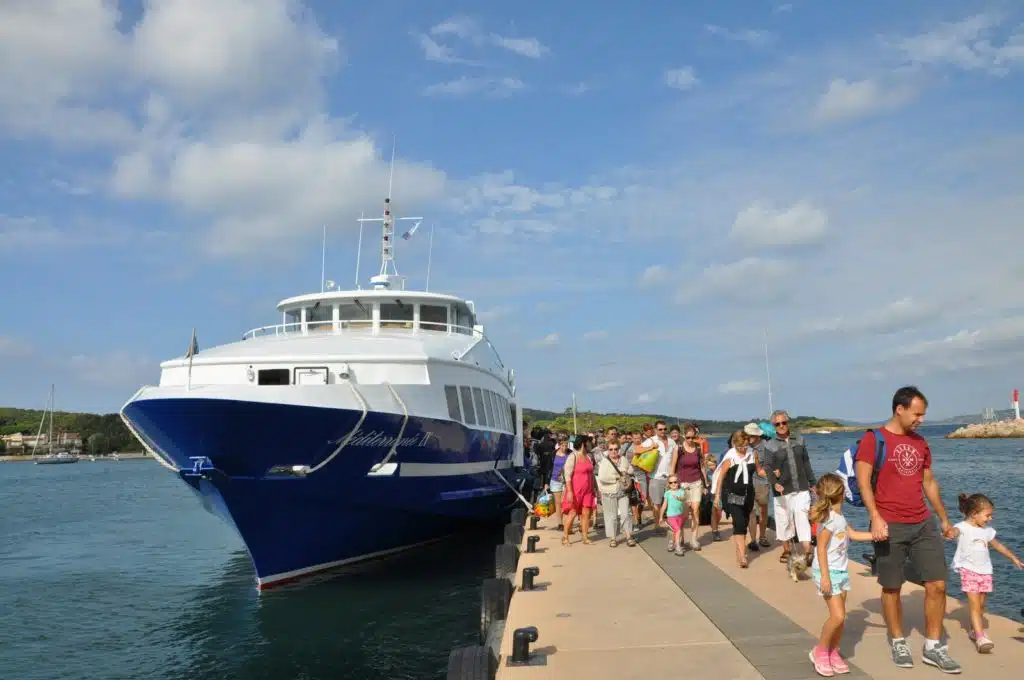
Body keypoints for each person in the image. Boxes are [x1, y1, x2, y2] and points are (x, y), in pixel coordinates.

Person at [854, 386, 960, 673]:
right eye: (917, 414)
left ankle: (933, 647)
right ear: (899, 409)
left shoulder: (921, 443)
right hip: (889, 523)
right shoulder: (872, 440)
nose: (921, 420)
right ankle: (898, 640)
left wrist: (944, 518)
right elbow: (863, 482)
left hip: (922, 522)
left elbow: (929, 482)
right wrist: (875, 516)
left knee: (937, 584)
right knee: (892, 587)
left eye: (923, 415)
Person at [807, 473, 873, 677]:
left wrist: (876, 535)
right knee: (838, 616)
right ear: (842, 494)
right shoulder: (828, 521)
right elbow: (820, 549)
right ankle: (820, 651)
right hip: (828, 572)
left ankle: (833, 651)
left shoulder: (840, 518)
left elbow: (853, 535)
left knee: (841, 618)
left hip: (841, 571)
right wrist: (825, 577)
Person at [952, 492, 1023, 653]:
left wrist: (1013, 558)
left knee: (982, 604)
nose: (990, 518)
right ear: (974, 514)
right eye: (988, 515)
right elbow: (954, 532)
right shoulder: (962, 527)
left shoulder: (987, 530)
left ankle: (972, 629)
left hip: (985, 571)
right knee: (975, 605)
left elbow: (997, 545)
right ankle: (980, 636)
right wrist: (950, 533)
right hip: (968, 570)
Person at [764, 410, 816, 566]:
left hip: (801, 487)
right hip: (782, 489)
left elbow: (806, 462)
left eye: (783, 422)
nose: (781, 426)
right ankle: (787, 550)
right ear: (773, 426)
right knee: (784, 521)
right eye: (777, 424)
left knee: (802, 518)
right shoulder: (770, 445)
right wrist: (774, 482)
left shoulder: (799, 440)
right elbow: (767, 467)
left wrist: (813, 483)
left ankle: (807, 551)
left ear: (788, 423)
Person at [714, 430, 761, 568]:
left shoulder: (753, 454)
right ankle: (742, 555)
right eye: (740, 446)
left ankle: (739, 548)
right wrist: (717, 495)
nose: (743, 448)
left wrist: (773, 474)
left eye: (745, 445)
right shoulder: (730, 457)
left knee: (745, 522)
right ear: (734, 444)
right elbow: (720, 477)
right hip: (732, 494)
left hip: (748, 494)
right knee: (739, 522)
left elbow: (759, 471)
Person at [669, 423, 709, 550]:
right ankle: (678, 536)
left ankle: (694, 539)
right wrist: (671, 484)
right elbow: (672, 467)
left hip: (696, 482)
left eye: (693, 437)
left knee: (696, 510)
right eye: (688, 437)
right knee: (684, 513)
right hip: (683, 483)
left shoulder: (698, 448)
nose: (691, 440)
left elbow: (702, 466)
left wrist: (706, 483)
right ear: (684, 436)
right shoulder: (679, 448)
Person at [596, 442, 637, 547]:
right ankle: (613, 538)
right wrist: (617, 477)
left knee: (626, 514)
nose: (613, 451)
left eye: (615, 449)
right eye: (611, 449)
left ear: (618, 449)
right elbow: (602, 478)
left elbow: (630, 469)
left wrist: (626, 472)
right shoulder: (604, 462)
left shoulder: (623, 459)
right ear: (608, 450)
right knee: (611, 516)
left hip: (623, 491)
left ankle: (628, 536)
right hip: (609, 492)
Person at [562, 435, 597, 546]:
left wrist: (595, 488)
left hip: (588, 490)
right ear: (583, 443)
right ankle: (565, 537)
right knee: (572, 513)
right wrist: (570, 492)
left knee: (586, 514)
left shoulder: (588, 457)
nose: (590, 444)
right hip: (575, 490)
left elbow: (591, 474)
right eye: (588, 442)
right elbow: (567, 476)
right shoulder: (573, 456)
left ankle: (585, 537)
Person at [642, 420, 678, 530]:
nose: (663, 431)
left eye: (665, 429)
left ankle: (671, 523)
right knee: (657, 503)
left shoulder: (672, 442)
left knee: (671, 502)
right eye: (660, 429)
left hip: (669, 477)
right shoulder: (651, 440)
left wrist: (672, 473)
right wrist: (650, 447)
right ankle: (657, 524)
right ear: (655, 430)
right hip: (656, 477)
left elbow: (674, 458)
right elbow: (637, 450)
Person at [745, 423, 771, 551]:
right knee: (751, 511)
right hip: (748, 482)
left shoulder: (766, 447)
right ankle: (753, 539)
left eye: (750, 434)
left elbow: (770, 465)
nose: (748, 436)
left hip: (762, 482)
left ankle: (762, 536)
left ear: (756, 435)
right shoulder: (745, 446)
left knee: (763, 510)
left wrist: (760, 467)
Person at [658, 474, 689, 555]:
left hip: (680, 515)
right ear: (668, 484)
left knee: (676, 531)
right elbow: (664, 505)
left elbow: (685, 502)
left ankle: (671, 542)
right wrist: (661, 517)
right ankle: (677, 547)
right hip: (671, 516)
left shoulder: (682, 492)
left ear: (678, 482)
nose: (673, 484)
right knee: (677, 530)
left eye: (675, 482)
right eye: (671, 482)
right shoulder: (668, 493)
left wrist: (686, 513)